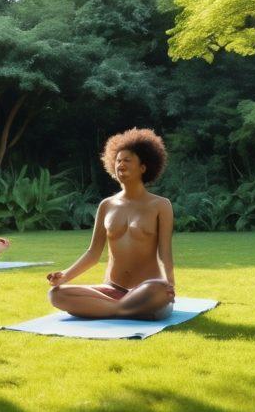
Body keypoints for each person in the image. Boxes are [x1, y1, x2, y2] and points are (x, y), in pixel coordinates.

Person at [47, 128, 176, 320]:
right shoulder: (106, 205)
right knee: (56, 295)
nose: (120, 164)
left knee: (158, 292)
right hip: (112, 288)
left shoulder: (161, 205)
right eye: (118, 160)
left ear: (143, 167)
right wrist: (64, 276)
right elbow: (93, 253)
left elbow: (164, 253)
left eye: (127, 160)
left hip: (148, 287)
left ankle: (107, 309)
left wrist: (169, 285)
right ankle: (124, 309)